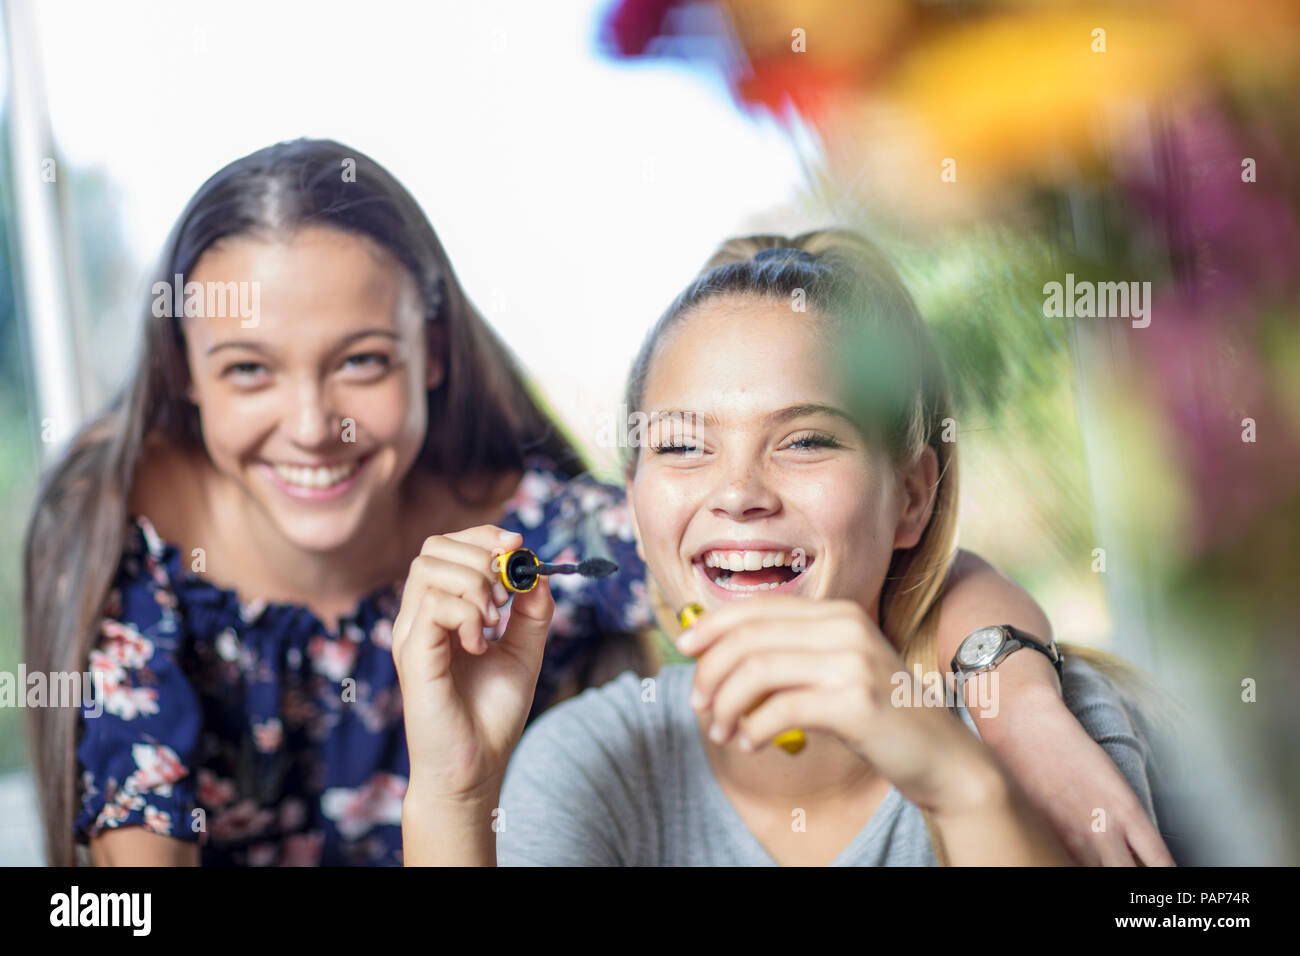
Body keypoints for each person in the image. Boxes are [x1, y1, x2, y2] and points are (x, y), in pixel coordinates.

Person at [397, 230, 1175, 866]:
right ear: (632, 503)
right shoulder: (586, 762)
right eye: (682, 447)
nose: (738, 493)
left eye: (804, 440)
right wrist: (454, 793)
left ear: (911, 497)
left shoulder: (1042, 731)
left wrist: (966, 789)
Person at [21, 139, 650, 866]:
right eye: (249, 370)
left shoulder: (528, 537)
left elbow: (704, 547)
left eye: (361, 361)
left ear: (434, 352)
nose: (314, 427)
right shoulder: (120, 534)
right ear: (184, 369)